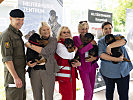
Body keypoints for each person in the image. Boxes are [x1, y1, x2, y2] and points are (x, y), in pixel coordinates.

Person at [98, 21, 133, 100]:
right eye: (105, 28)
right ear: (102, 30)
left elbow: (124, 41)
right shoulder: (101, 42)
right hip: (108, 72)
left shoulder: (118, 36)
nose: (108, 30)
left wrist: (110, 46)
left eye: (110, 28)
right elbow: (101, 55)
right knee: (109, 92)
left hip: (123, 71)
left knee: (123, 94)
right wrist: (117, 59)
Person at [25, 22, 59, 100]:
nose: (46, 31)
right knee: (36, 96)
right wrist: (28, 63)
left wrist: (30, 45)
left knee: (49, 97)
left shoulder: (53, 40)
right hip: (35, 71)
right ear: (40, 31)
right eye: (43, 30)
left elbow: (46, 51)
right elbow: (28, 54)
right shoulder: (34, 39)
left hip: (48, 71)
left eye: (48, 29)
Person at [0, 9, 26, 100]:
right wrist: (15, 77)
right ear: (11, 18)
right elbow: (7, 59)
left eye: (22, 19)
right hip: (13, 76)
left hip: (20, 74)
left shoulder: (17, 34)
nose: (21, 22)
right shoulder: (7, 35)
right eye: (18, 19)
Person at [73, 21, 99, 100]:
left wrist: (95, 58)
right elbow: (80, 51)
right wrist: (91, 44)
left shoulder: (91, 37)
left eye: (86, 29)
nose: (84, 31)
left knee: (91, 90)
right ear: (79, 29)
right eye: (82, 29)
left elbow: (97, 52)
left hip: (92, 66)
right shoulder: (75, 39)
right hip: (82, 67)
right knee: (88, 90)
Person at [55, 26, 80, 100]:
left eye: (68, 32)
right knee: (66, 96)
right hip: (64, 75)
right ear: (60, 34)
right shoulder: (59, 45)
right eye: (64, 32)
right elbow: (69, 56)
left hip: (70, 74)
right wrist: (75, 50)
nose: (66, 34)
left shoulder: (70, 43)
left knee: (72, 95)